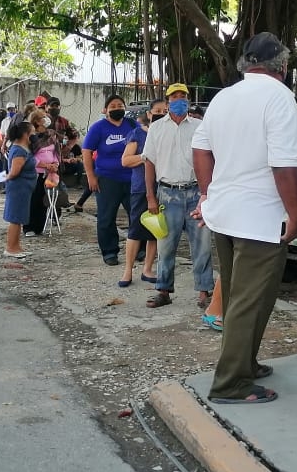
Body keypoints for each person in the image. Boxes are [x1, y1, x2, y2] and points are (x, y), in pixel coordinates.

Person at [192, 32, 297, 405]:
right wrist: (295, 212)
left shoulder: (225, 96)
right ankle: (230, 383)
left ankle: (245, 363)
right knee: (248, 300)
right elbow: (284, 162)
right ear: (283, 66)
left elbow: (201, 147)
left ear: (246, 64)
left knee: (246, 297)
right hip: (260, 215)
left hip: (225, 213)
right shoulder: (280, 98)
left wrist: (208, 192)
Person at [144, 82, 214, 309]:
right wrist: (151, 197)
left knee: (202, 245)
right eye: (174, 96)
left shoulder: (199, 126)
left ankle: (204, 292)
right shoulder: (156, 128)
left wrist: (208, 192)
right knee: (166, 246)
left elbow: (210, 159)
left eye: (183, 96)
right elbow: (149, 163)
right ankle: (163, 290)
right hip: (167, 193)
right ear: (167, 102)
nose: (179, 99)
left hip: (196, 192)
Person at [82, 94, 139, 265]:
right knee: (106, 217)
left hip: (132, 178)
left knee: (136, 215)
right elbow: (86, 152)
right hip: (107, 179)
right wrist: (91, 177)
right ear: (105, 110)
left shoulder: (132, 125)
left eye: (120, 105)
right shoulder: (98, 128)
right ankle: (109, 251)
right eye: (112, 106)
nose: (116, 109)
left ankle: (139, 249)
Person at [120, 101, 164, 288]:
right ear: (149, 113)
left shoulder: (166, 133)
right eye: (158, 111)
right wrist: (145, 156)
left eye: (165, 111)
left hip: (162, 187)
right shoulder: (137, 133)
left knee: (155, 230)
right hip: (140, 188)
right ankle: (128, 271)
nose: (162, 114)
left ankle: (147, 268)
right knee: (135, 230)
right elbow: (126, 160)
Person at [2, 121, 38, 259]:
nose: (34, 134)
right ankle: (11, 247)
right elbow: (15, 171)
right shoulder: (19, 150)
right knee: (15, 219)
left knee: (19, 218)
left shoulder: (23, 148)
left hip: (24, 188)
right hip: (18, 188)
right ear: (25, 134)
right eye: (32, 131)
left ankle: (16, 246)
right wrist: (7, 176)